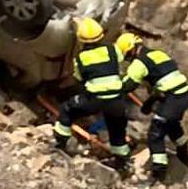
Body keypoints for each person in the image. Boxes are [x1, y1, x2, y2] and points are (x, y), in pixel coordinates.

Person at [53, 17, 132, 171]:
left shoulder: (81, 58)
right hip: (117, 100)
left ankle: (59, 144)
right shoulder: (112, 49)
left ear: (81, 40)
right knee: (117, 131)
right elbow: (120, 62)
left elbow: (78, 78)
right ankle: (122, 163)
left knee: (66, 110)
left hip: (95, 99)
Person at [120, 33, 188, 179]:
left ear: (131, 50)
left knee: (155, 135)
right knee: (172, 126)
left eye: (127, 57)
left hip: (172, 98)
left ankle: (159, 175)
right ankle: (185, 163)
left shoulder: (139, 63)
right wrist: (150, 103)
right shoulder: (158, 54)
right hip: (183, 95)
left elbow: (127, 86)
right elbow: (161, 83)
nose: (128, 60)